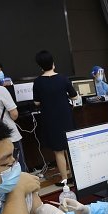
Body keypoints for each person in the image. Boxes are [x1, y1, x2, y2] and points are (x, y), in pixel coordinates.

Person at [33, 50, 79, 186]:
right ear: (53, 63)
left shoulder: (38, 82)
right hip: (65, 116)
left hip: (50, 119)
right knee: (69, 148)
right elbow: (74, 96)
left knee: (59, 151)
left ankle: (64, 180)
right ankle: (75, 177)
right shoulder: (63, 78)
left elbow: (36, 102)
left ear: (40, 66)